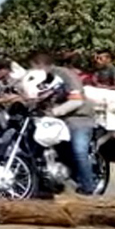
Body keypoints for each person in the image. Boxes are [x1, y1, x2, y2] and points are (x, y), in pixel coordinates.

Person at [30, 52, 98, 195]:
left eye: (33, 66)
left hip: (78, 118)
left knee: (79, 151)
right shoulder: (41, 79)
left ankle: (88, 187)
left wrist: (55, 111)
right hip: (56, 120)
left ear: (40, 65)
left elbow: (76, 100)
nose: (32, 70)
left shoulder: (65, 75)